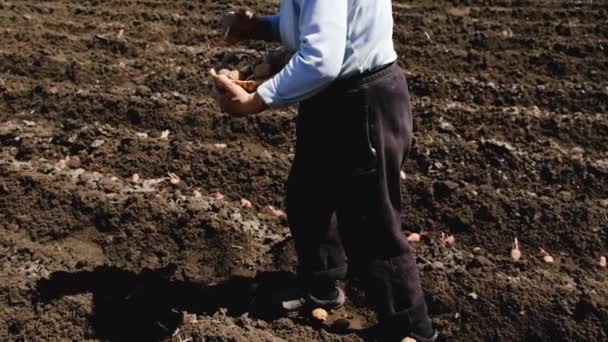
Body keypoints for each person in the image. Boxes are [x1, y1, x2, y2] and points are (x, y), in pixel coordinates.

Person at [213, 1, 437, 341]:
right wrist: (261, 27)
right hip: (333, 98)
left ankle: (413, 330)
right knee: (309, 195)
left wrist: (255, 101)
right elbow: (316, 21)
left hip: (361, 100)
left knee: (372, 224)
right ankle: (320, 288)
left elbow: (321, 59)